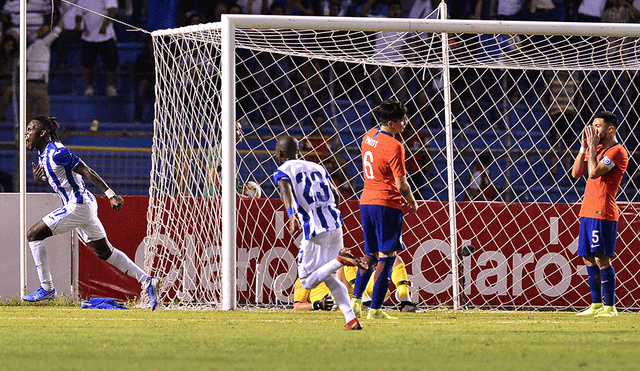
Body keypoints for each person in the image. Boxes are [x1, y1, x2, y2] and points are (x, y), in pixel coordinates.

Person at [23, 116, 162, 309]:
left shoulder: (57, 152)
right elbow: (65, 179)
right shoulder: (44, 154)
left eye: (30, 129)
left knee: (33, 234)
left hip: (78, 205)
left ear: (42, 133)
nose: (26, 133)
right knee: (106, 253)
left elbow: (86, 170)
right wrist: (44, 180)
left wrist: (111, 194)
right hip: (82, 206)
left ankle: (47, 288)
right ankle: (148, 281)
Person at [274, 135, 368, 330]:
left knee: (307, 281)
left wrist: (291, 213)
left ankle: (341, 260)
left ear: (280, 153)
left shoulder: (283, 170)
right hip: (335, 223)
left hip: (315, 227)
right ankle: (351, 319)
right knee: (330, 277)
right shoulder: (318, 167)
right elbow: (335, 194)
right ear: (298, 152)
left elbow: (286, 190)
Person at [352, 99, 417, 320]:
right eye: (402, 120)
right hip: (386, 203)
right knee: (387, 257)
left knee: (369, 254)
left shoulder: (368, 136)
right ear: (391, 122)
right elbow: (401, 185)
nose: (405, 123)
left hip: (366, 201)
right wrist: (412, 202)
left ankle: (356, 300)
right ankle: (376, 310)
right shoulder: (395, 146)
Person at [571, 111, 628, 317]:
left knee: (602, 258)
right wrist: (584, 148)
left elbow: (594, 172)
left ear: (610, 129)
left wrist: (593, 150)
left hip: (603, 211)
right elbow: (576, 173)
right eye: (593, 125)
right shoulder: (597, 149)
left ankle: (610, 307)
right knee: (587, 257)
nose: (594, 130)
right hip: (587, 210)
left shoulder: (617, 151)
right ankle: (595, 305)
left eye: (598, 126)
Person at [294, 257, 418, 312]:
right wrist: (317, 305)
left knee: (394, 260)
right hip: (334, 301)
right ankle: (364, 298)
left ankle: (405, 301)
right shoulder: (303, 280)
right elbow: (297, 306)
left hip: (355, 294)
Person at [26, 8, 67, 120]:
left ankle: (27, 136)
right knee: (44, 114)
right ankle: (44, 136)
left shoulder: (28, 49)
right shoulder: (42, 43)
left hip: (28, 84)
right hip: (39, 83)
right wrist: (63, 13)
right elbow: (58, 30)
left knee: (29, 114)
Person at [75, 0, 120, 97]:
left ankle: (111, 87)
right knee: (86, 64)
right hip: (88, 37)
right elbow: (78, 14)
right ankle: (89, 87)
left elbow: (113, 11)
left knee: (112, 63)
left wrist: (105, 25)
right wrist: (78, 25)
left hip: (106, 36)